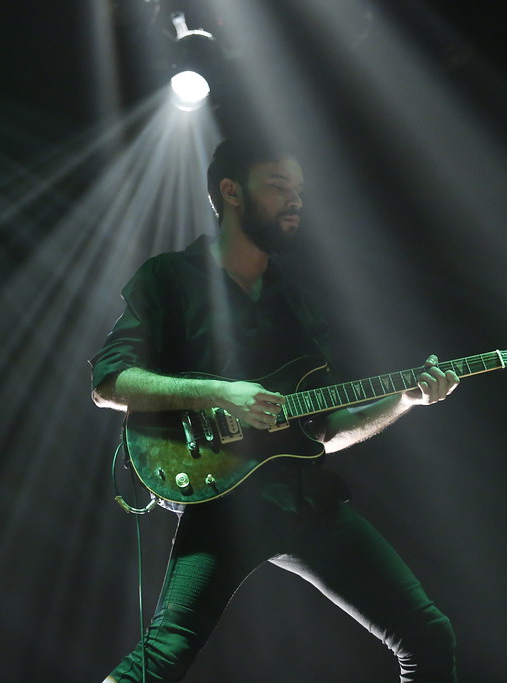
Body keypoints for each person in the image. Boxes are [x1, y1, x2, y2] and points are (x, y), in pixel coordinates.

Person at [90, 135, 460, 681]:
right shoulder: (169, 278)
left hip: (304, 499)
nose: (296, 200)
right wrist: (221, 393)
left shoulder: (299, 305)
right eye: (280, 185)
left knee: (427, 634)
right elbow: (109, 383)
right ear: (231, 191)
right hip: (222, 505)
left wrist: (404, 400)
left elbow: (324, 430)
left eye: (300, 190)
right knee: (163, 656)